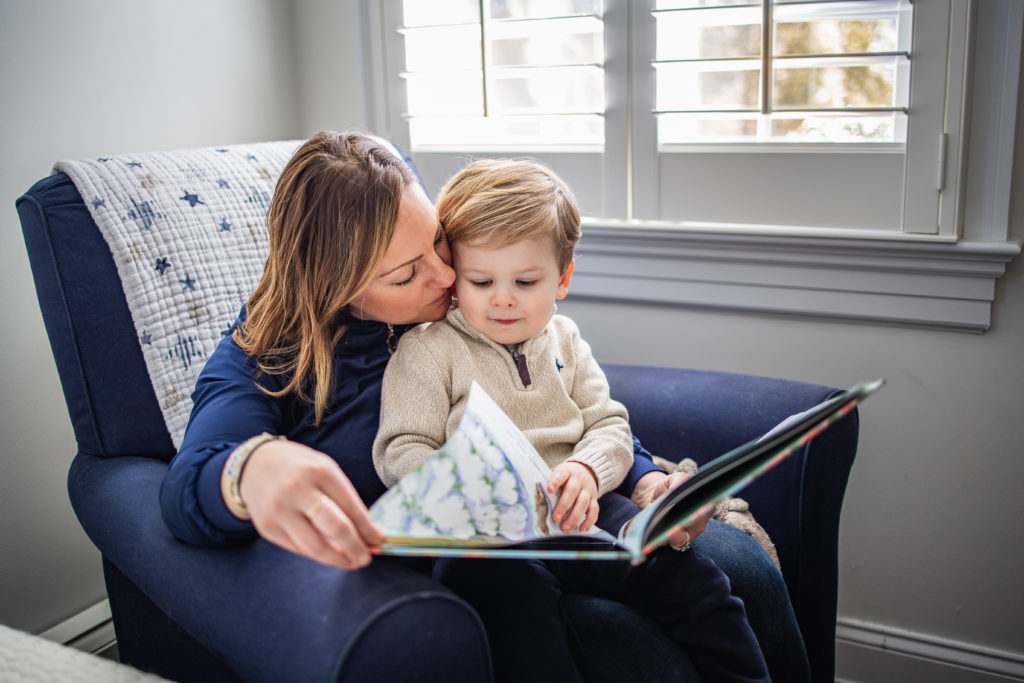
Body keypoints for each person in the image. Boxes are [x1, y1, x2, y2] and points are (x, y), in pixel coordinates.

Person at [158, 130, 807, 682]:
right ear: (339, 287)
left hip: (568, 498)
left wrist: (643, 478)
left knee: (741, 570)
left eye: (436, 241)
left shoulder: (468, 295)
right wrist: (252, 471)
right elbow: (190, 481)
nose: (447, 278)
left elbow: (561, 397)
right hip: (480, 556)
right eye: (406, 274)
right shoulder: (268, 357)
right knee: (616, 637)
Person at [372, 158, 770, 683]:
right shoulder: (427, 351)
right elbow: (401, 448)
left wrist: (587, 470)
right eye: (482, 280)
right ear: (454, 275)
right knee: (501, 596)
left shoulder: (565, 339)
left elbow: (609, 425)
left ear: (562, 279)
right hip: (492, 536)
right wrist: (462, 483)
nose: (504, 297)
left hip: (584, 516)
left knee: (696, 585)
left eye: (526, 280)